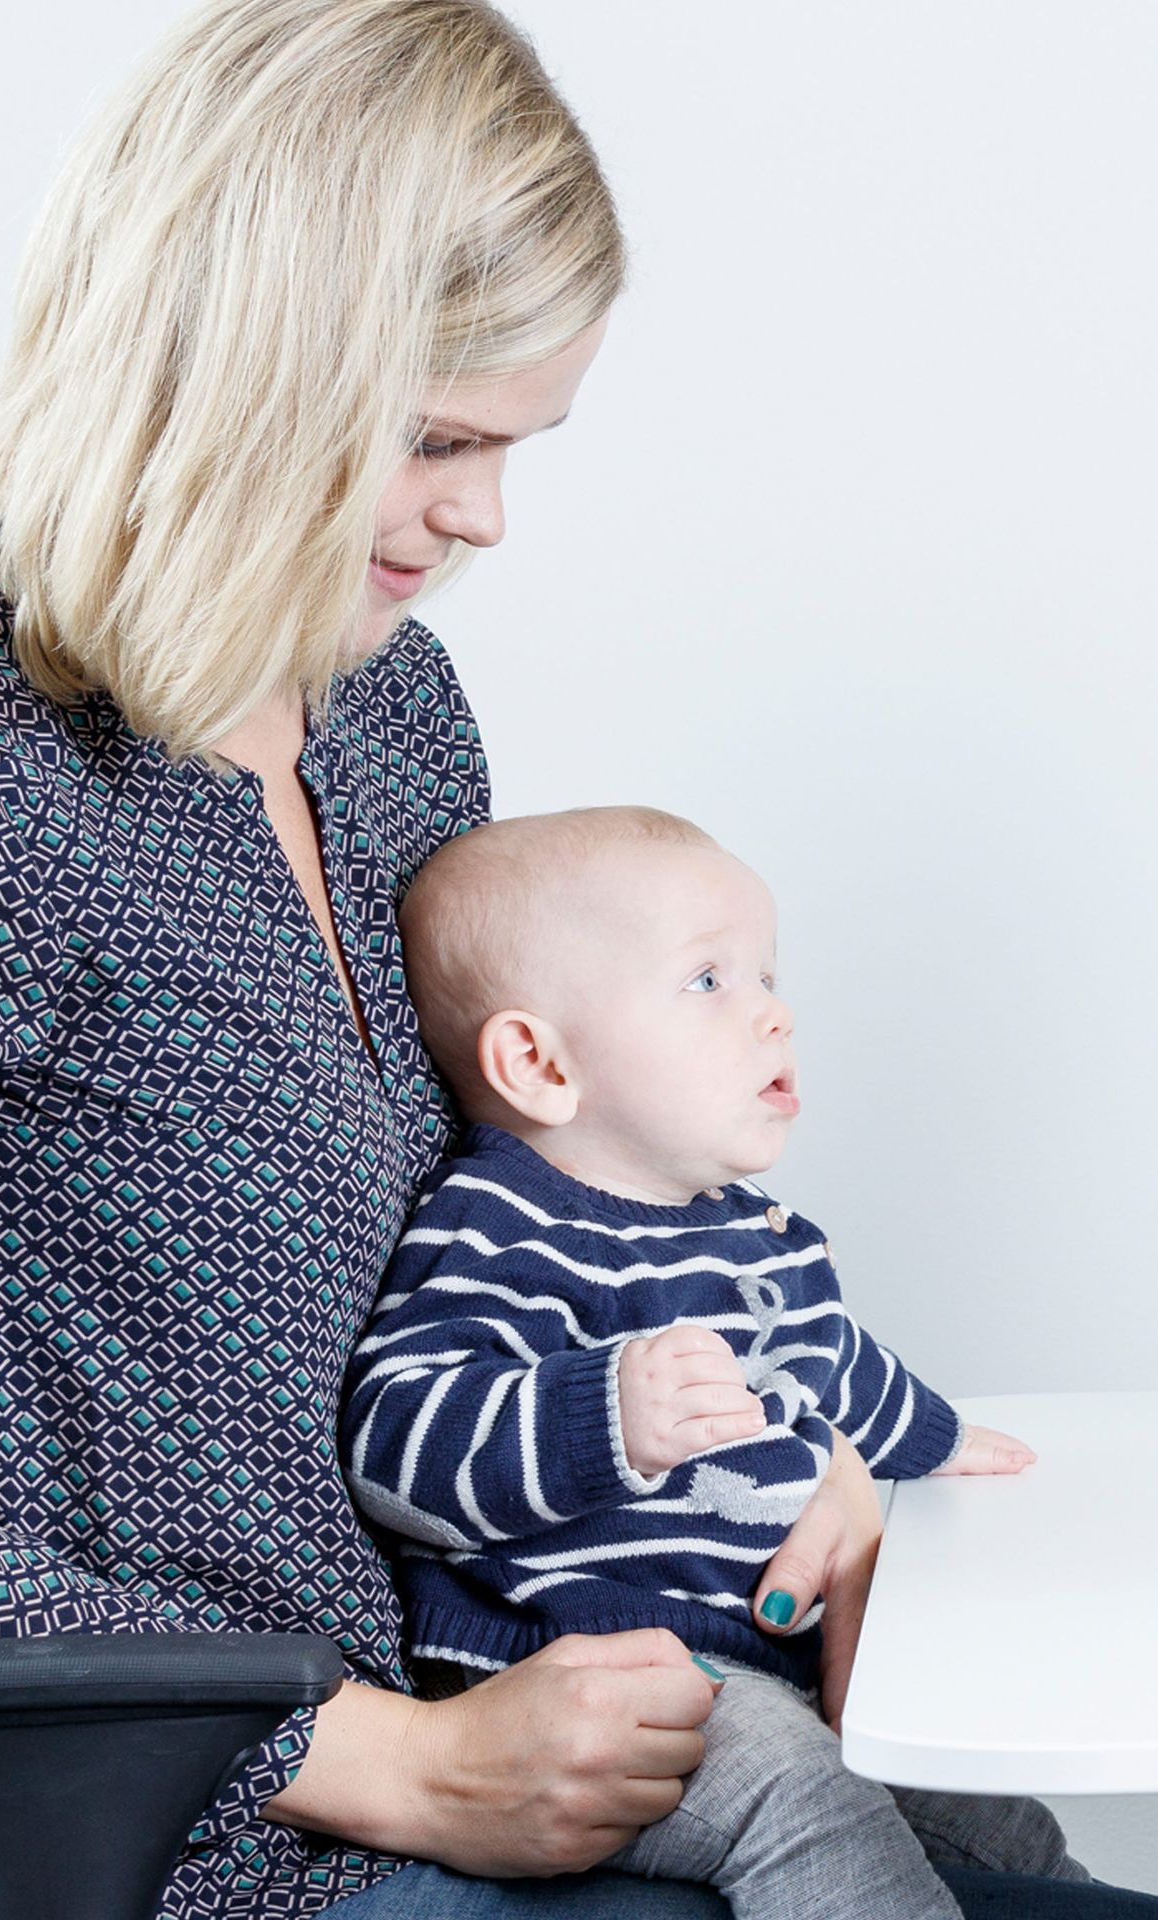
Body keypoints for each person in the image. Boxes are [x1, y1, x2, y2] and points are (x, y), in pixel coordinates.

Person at [0, 3, 1158, 1915]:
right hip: (209, 1863)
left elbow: (525, 1250)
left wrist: (770, 1483)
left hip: (535, 1716)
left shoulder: (388, 719)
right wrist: (411, 1761)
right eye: (440, 440)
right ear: (233, 366)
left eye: (516, 444)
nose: (481, 516)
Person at [345, 808, 1077, 1920]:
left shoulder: (752, 1231)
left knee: (989, 1805)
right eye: (708, 984)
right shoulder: (497, 1224)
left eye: (766, 977)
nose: (772, 1015)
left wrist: (937, 1438)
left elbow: (833, 1367)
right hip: (582, 1668)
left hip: (761, 1659)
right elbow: (395, 1442)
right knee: (799, 1798)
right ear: (539, 1063)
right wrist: (602, 1413)